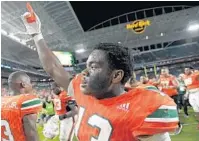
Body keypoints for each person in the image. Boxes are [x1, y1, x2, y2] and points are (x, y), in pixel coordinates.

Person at [22, 10, 179, 141]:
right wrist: (36, 34)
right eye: (86, 66)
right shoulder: (84, 92)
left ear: (116, 76)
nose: (84, 73)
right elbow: (53, 68)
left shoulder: (142, 108)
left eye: (94, 67)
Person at [1, 71, 42, 141]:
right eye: (29, 83)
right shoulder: (26, 100)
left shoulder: (2, 101)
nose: (31, 85)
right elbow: (31, 132)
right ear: (23, 84)